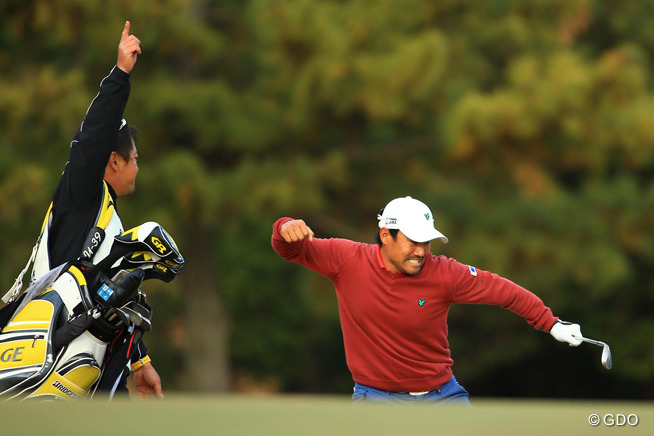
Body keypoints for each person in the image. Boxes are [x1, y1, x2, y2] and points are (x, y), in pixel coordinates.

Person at [271, 196, 585, 404]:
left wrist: (550, 323)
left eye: (426, 242)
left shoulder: (444, 273)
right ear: (385, 235)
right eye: (413, 241)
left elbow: (503, 291)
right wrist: (284, 226)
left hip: (442, 395)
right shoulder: (347, 260)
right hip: (377, 398)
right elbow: (290, 248)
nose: (421, 251)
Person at [16, 22, 161, 399]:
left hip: (86, 358)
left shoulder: (106, 213)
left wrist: (140, 363)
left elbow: (112, 297)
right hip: (52, 354)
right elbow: (91, 139)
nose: (138, 168)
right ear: (113, 161)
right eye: (135, 159)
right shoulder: (82, 193)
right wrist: (121, 74)